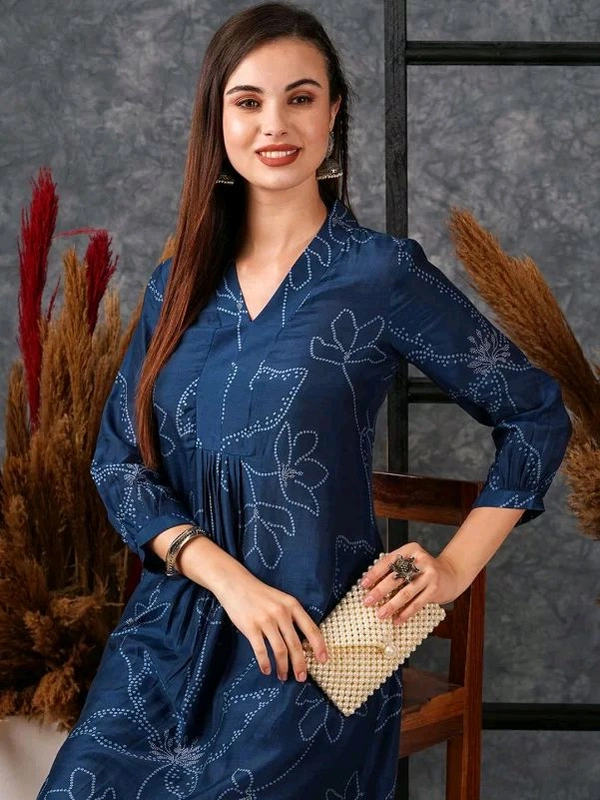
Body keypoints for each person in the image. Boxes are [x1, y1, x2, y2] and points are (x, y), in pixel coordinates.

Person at [37, 3, 572, 798]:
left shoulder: (381, 273)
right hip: (174, 630)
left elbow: (536, 414)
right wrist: (228, 580)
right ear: (217, 119)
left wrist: (454, 567)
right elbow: (118, 465)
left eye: (300, 97)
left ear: (333, 113)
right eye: (248, 101)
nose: (275, 124)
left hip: (325, 639)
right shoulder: (175, 284)